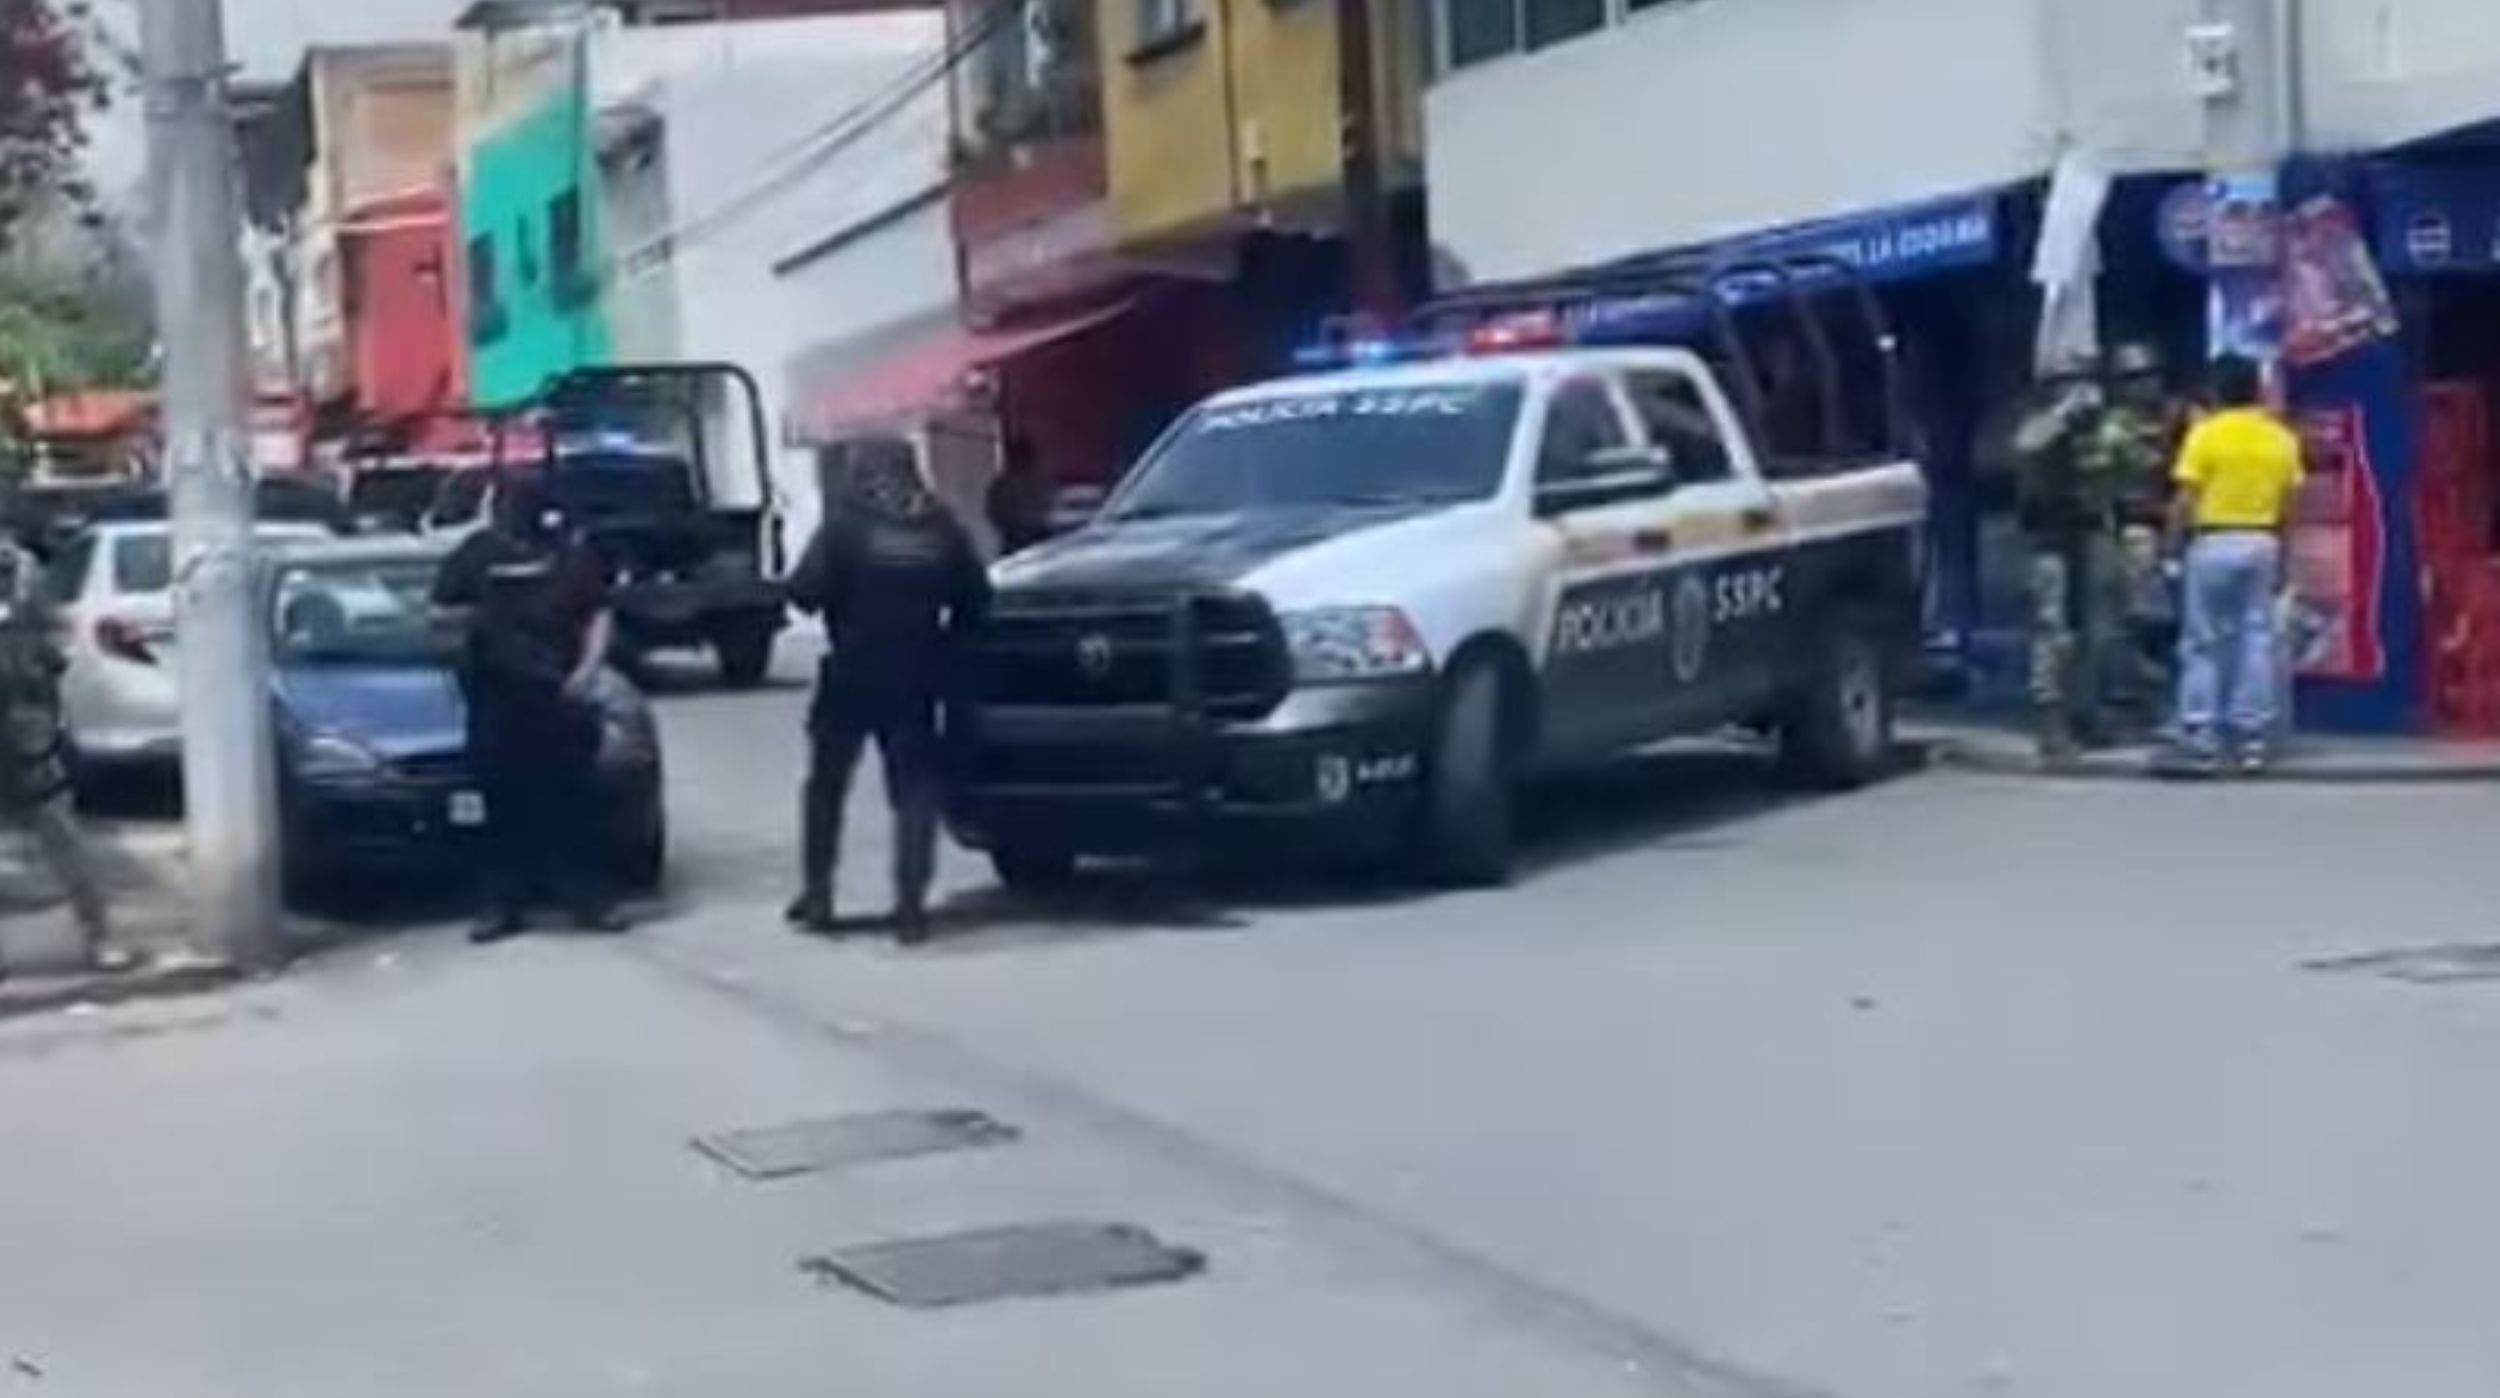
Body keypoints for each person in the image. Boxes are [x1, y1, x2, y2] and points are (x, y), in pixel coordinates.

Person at [786, 437, 988, 945]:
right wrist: (943, 645)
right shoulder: (940, 527)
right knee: (915, 790)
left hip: (852, 672)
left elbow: (804, 593)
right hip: (917, 673)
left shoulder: (847, 524)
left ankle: (818, 894)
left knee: (827, 786)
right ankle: (911, 907)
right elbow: (976, 600)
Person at [431, 470, 627, 941]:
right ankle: (501, 903)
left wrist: (588, 668)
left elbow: (598, 613)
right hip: (497, 696)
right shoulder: (476, 554)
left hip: (559, 696)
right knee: (501, 804)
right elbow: (439, 612)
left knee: (573, 802)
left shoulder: (569, 555)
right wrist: (473, 633)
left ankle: (586, 897)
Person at [2165, 354, 2304, 774]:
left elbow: (2186, 499)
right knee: (2255, 638)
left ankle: (2201, 733)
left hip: (2213, 540)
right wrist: (2286, 558)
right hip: (2262, 540)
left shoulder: (2205, 434)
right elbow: (2289, 507)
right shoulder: (2281, 439)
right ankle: (2252, 737)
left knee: (2203, 642)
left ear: (2217, 391)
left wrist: (2170, 548)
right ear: (2257, 389)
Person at [984, 436, 1051, 557]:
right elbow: (993, 512)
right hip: (1017, 541)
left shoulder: (1039, 482)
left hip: (1033, 540)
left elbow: (1049, 508)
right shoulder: (1003, 485)